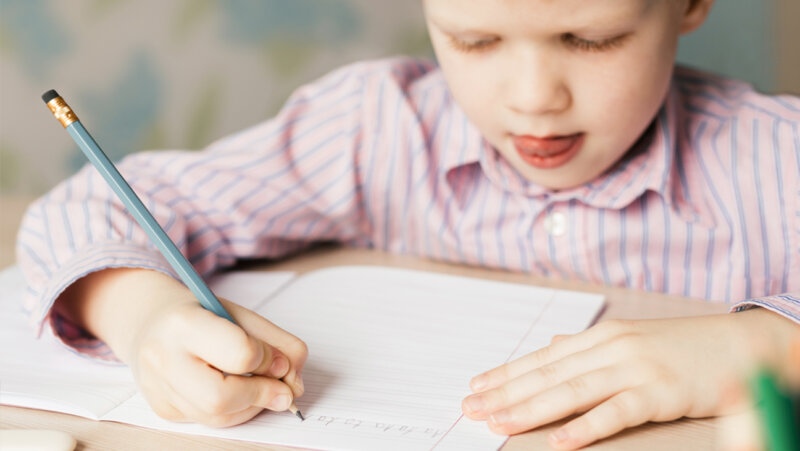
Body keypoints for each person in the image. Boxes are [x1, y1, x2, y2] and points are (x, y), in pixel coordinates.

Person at [15, 0, 800, 448]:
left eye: (590, 39)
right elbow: (88, 209)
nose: (532, 96)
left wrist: (771, 344)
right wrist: (143, 313)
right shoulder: (375, 127)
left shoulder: (773, 158)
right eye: (475, 39)